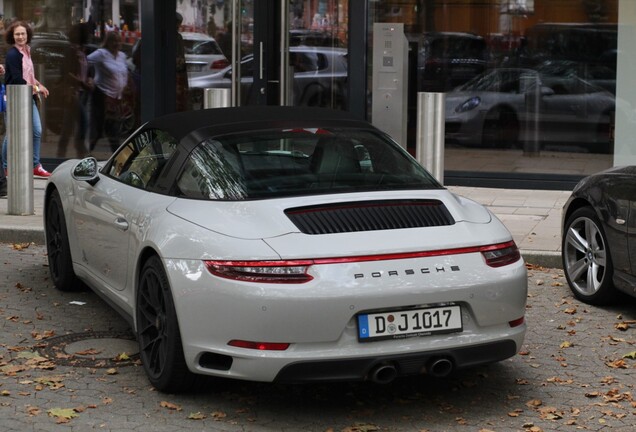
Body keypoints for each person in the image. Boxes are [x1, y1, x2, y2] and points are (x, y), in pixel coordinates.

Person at [1, 21, 51, 178]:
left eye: (23, 33)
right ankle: (5, 167)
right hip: (15, 98)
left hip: (28, 97)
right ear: (12, 36)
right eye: (17, 34)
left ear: (28, 35)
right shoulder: (13, 54)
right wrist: (37, 88)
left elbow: (28, 76)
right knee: (12, 134)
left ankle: (35, 165)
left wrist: (39, 84)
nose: (20, 36)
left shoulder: (27, 51)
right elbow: (17, 80)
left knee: (37, 130)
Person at [87, 31, 129, 153]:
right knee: (100, 128)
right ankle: (86, 152)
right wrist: (89, 77)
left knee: (112, 128)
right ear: (108, 42)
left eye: (118, 41)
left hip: (116, 98)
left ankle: (114, 158)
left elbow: (124, 73)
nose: (116, 44)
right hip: (102, 95)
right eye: (113, 41)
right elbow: (86, 61)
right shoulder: (101, 54)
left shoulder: (122, 56)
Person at [57, 23, 93, 158]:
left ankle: (61, 153)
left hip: (82, 93)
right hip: (73, 93)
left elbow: (87, 69)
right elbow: (66, 73)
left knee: (67, 126)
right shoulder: (70, 50)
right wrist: (83, 83)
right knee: (83, 121)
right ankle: (79, 148)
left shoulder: (83, 51)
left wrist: (90, 79)